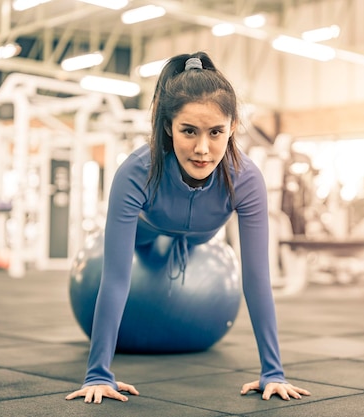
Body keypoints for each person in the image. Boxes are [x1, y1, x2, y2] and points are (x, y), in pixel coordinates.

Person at [65, 51, 310, 404]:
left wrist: (273, 372)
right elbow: (117, 278)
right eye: (188, 131)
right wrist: (98, 374)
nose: (202, 148)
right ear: (168, 127)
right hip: (146, 231)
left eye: (216, 133)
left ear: (232, 128)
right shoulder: (136, 171)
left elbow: (256, 279)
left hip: (202, 238)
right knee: (137, 248)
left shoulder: (246, 179)